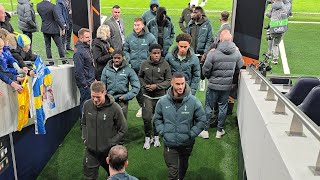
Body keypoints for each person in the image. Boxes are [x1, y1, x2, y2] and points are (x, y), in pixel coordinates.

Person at [154, 72, 206, 180]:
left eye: (182, 83)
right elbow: (157, 118)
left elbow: (201, 120)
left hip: (187, 143)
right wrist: (163, 131)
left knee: (183, 168)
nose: (181, 86)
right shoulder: (162, 101)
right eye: (178, 84)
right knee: (173, 171)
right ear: (172, 83)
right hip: (170, 143)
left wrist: (191, 134)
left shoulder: (193, 101)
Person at [81, 81, 127, 180]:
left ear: (104, 93)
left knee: (115, 177)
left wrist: (111, 142)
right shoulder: (87, 105)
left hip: (109, 152)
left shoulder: (115, 108)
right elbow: (83, 123)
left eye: (98, 97)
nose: (95, 100)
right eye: (93, 96)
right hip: (91, 151)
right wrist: (85, 138)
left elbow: (123, 129)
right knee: (89, 177)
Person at [202, 30, 244, 139]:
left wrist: (210, 78)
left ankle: (205, 130)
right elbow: (241, 65)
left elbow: (205, 70)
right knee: (223, 107)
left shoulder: (213, 53)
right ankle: (219, 130)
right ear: (230, 39)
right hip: (226, 86)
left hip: (213, 85)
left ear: (220, 39)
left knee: (208, 107)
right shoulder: (236, 52)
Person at [138, 44, 172, 150]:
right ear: (150, 53)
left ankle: (156, 136)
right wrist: (144, 85)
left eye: (158, 53)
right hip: (147, 95)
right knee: (147, 118)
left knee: (158, 118)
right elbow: (140, 76)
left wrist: (157, 86)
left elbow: (169, 80)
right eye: (154, 53)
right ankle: (148, 137)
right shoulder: (144, 64)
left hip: (160, 96)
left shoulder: (165, 64)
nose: (157, 55)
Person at [123, 17, 157, 118]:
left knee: (147, 88)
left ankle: (151, 108)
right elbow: (125, 50)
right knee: (137, 89)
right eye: (135, 25)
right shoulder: (130, 38)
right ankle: (142, 107)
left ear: (143, 26)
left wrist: (149, 62)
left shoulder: (150, 37)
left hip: (147, 69)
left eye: (138, 25)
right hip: (134, 68)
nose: (136, 27)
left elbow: (155, 51)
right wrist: (128, 59)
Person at [101, 50, 140, 120]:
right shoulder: (106, 69)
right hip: (109, 100)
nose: (116, 60)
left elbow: (136, 86)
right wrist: (105, 95)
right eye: (115, 58)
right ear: (112, 58)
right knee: (109, 122)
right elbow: (102, 86)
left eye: (119, 58)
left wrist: (126, 96)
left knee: (122, 123)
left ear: (123, 58)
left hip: (122, 101)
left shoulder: (129, 70)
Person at [187, 6, 213, 92]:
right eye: (193, 12)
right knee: (191, 71)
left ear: (200, 14)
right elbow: (187, 38)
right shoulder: (190, 24)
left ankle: (202, 79)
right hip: (191, 52)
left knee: (201, 71)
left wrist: (205, 53)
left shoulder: (207, 24)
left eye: (195, 12)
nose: (193, 14)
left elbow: (209, 40)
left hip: (201, 53)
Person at [74, 28, 95, 114]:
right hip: (86, 83)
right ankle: (84, 124)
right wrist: (85, 84)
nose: (89, 39)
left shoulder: (86, 48)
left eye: (89, 37)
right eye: (87, 37)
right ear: (81, 38)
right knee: (85, 104)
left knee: (89, 104)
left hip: (90, 81)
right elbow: (78, 71)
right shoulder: (79, 52)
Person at [265, 0, 289, 65]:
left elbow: (268, 14)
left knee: (269, 37)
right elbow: (286, 15)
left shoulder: (272, 7)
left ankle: (269, 53)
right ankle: (275, 59)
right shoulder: (285, 7)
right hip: (281, 29)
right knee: (275, 44)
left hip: (273, 28)